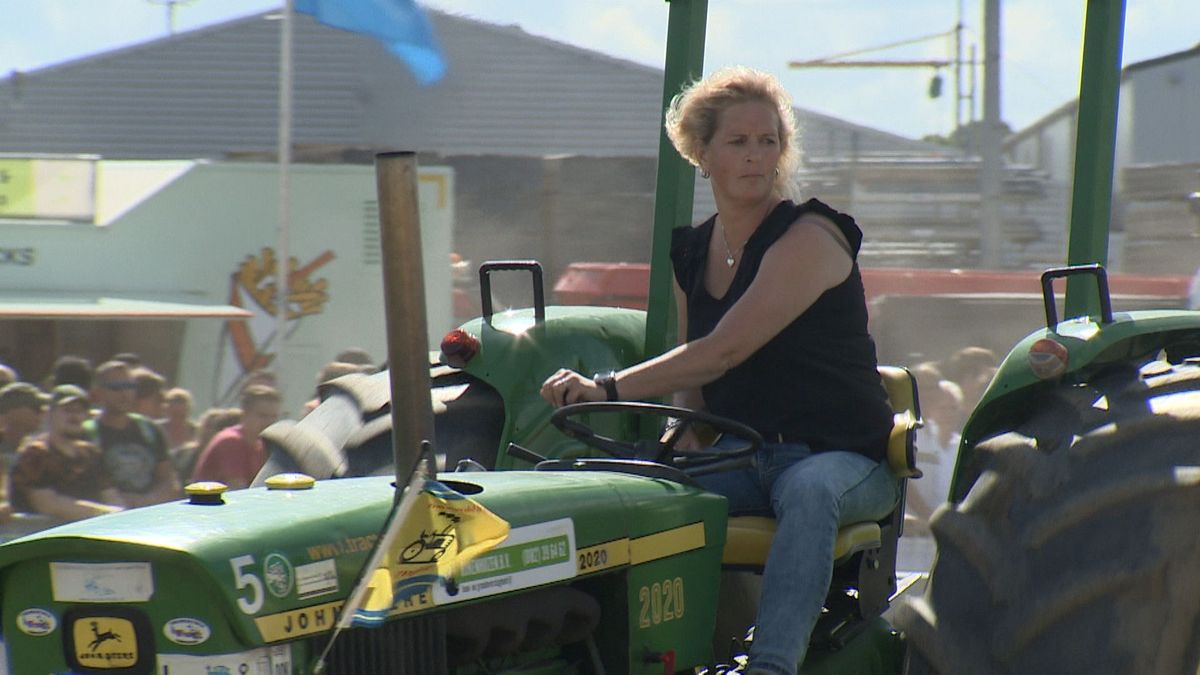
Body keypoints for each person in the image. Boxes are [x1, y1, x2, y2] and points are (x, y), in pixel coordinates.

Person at [539, 67, 900, 675]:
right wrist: (675, 445)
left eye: (768, 141)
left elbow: (722, 350)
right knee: (617, 491)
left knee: (810, 492)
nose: (758, 157)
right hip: (742, 456)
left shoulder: (810, 236)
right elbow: (695, 378)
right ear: (700, 153)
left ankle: (770, 666)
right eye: (739, 142)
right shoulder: (690, 251)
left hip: (840, 456)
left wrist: (604, 390)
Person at [8, 385, 125, 521]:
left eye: (80, 411)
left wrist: (122, 516)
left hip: (88, 533)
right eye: (67, 410)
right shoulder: (35, 454)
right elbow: (49, 505)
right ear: (49, 414)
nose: (74, 416)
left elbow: (111, 495)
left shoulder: (91, 454)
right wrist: (109, 514)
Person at [87, 360, 181, 507]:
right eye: (116, 388)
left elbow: (169, 481)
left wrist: (147, 501)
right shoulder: (88, 433)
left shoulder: (150, 430)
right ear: (98, 393)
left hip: (147, 516)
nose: (124, 394)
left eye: (129, 386)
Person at [190, 385, 282, 489]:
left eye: (274, 416)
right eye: (263, 416)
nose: (269, 422)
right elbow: (238, 490)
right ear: (245, 415)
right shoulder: (231, 441)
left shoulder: (260, 445)